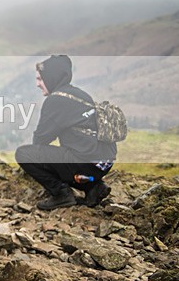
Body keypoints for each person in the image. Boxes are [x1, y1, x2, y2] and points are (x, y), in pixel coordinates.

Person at [15, 55, 117, 211]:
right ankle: (94, 188)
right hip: (103, 164)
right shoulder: (81, 95)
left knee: (24, 154)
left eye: (40, 79)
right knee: (69, 155)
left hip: (86, 164)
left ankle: (61, 194)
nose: (37, 84)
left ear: (51, 78)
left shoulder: (56, 100)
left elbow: (40, 141)